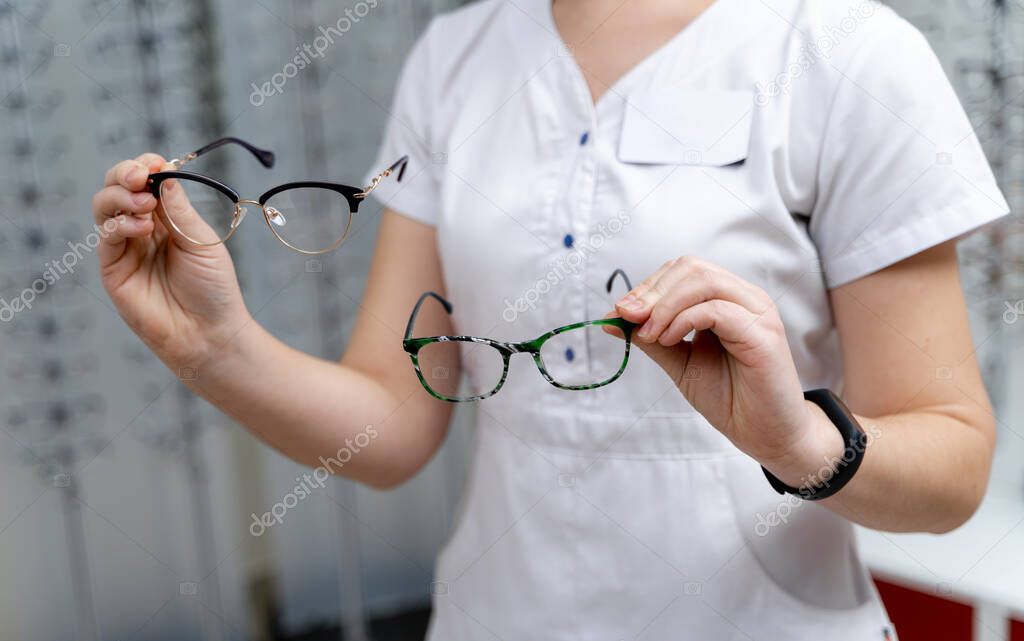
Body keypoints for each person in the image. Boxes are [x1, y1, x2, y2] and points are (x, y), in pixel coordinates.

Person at [91, 0, 1009, 638]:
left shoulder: (847, 52)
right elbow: (396, 418)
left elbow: (953, 459)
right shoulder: (453, 60)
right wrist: (216, 345)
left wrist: (802, 439)